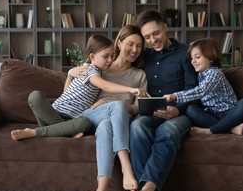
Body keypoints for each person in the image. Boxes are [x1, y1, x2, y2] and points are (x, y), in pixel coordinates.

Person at [67, 25, 148, 191]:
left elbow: (138, 108)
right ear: (119, 43)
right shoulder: (101, 67)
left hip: (119, 118)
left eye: (139, 46)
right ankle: (126, 166)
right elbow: (71, 94)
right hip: (94, 115)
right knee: (106, 118)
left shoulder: (139, 75)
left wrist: (121, 106)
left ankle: (101, 190)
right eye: (130, 44)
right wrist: (70, 73)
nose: (134, 50)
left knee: (107, 125)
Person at [11, 34, 146, 141]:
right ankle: (45, 132)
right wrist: (129, 89)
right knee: (35, 95)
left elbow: (70, 91)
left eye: (112, 56)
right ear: (92, 56)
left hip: (72, 120)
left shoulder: (97, 71)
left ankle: (55, 131)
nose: (110, 60)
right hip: (55, 113)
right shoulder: (89, 70)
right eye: (106, 56)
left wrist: (70, 75)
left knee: (85, 123)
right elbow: (103, 86)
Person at [129, 10, 197, 191]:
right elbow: (115, 61)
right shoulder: (143, 55)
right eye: (147, 37)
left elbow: (194, 89)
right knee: (136, 126)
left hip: (180, 113)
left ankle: (147, 190)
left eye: (156, 33)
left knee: (167, 131)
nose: (152, 40)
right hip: (150, 112)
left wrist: (177, 110)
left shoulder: (186, 52)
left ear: (165, 27)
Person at [163, 37, 243, 135]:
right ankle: (230, 129)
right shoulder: (200, 75)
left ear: (211, 58)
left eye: (197, 57)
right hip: (211, 113)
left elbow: (201, 91)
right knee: (190, 109)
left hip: (228, 112)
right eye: (192, 58)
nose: (193, 61)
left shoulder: (215, 73)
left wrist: (176, 96)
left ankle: (211, 130)